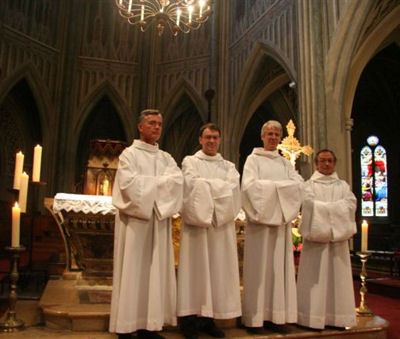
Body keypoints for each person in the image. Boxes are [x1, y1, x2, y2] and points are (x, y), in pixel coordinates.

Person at [109, 109, 183, 339]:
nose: (157, 127)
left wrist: (152, 189)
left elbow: (177, 182)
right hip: (135, 224)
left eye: (159, 124)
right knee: (133, 271)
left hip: (158, 222)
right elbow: (127, 185)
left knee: (155, 271)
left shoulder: (166, 158)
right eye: (152, 123)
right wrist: (159, 187)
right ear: (140, 127)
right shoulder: (128, 155)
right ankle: (126, 326)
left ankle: (149, 326)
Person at [177, 123, 242, 339]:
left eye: (215, 137)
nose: (212, 141)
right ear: (200, 139)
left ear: (220, 140)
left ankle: (207, 319)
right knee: (195, 270)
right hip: (197, 228)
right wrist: (218, 189)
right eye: (208, 137)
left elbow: (233, 188)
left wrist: (208, 188)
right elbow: (191, 185)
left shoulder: (229, 167)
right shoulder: (190, 162)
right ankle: (188, 320)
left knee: (215, 271)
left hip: (219, 228)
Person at [241, 120, 303, 332]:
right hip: (259, 226)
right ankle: (255, 319)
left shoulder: (285, 163)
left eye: (277, 134)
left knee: (279, 270)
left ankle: (278, 318)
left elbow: (298, 186)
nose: (274, 137)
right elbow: (249, 187)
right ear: (262, 137)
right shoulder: (253, 160)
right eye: (270, 134)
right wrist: (280, 191)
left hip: (280, 227)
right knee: (259, 269)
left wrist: (275, 191)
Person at [297, 149, 357, 329]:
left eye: (330, 160)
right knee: (315, 279)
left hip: (337, 244)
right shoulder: (309, 185)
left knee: (338, 280)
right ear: (316, 163)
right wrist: (335, 210)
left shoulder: (343, 186)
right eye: (323, 160)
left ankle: (338, 318)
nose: (326, 164)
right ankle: (311, 318)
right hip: (316, 244)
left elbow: (350, 205)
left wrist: (325, 210)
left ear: (335, 163)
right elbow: (308, 205)